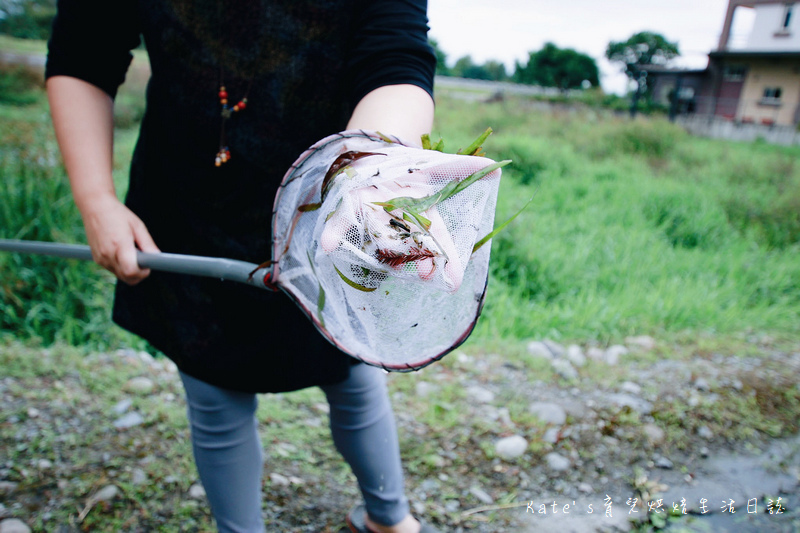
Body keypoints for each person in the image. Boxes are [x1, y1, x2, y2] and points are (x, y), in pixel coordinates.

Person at [45, 1, 440, 531]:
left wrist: (362, 182)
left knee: (351, 373)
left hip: (326, 206)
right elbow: (84, 51)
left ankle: (390, 519)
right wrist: (95, 198)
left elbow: (395, 60)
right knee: (211, 387)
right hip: (186, 200)